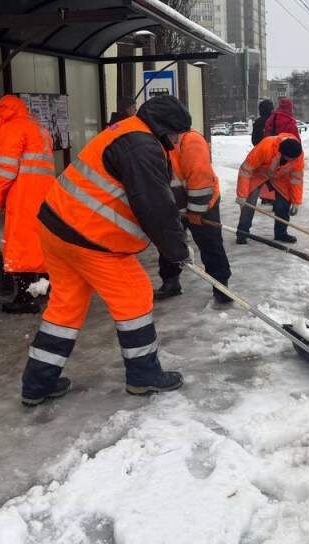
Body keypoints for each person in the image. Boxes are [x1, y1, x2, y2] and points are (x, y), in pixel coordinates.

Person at [20, 95, 191, 406]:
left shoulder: (127, 131)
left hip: (55, 227)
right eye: (178, 133)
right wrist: (177, 250)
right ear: (166, 129)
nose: (179, 141)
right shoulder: (143, 146)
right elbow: (153, 205)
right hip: (89, 236)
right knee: (135, 295)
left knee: (65, 306)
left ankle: (37, 383)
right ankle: (144, 376)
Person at [0, 95, 57, 314]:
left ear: (3, 111)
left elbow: (6, 170)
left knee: (21, 246)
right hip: (45, 195)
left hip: (23, 195)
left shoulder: (12, 128)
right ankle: (46, 287)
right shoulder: (38, 128)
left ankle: (25, 296)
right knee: (41, 243)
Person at [154, 128, 233, 305]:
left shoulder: (190, 141)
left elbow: (201, 180)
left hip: (202, 203)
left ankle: (221, 287)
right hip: (174, 204)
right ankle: (170, 282)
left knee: (210, 245)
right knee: (168, 244)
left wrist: (195, 212)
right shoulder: (156, 140)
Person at [235, 134, 304, 245]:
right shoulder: (265, 147)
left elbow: (296, 179)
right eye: (289, 159)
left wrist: (296, 201)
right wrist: (242, 195)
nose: (292, 161)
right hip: (257, 174)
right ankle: (242, 233)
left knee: (283, 204)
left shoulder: (297, 155)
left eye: (293, 159)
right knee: (248, 203)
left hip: (279, 177)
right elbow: (245, 170)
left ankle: (281, 233)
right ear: (281, 153)